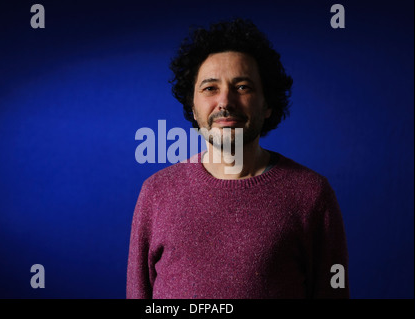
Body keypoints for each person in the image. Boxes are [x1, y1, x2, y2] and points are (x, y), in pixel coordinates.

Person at [126, 18, 349, 299]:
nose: (225, 101)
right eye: (209, 88)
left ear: (267, 105)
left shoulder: (311, 195)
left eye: (242, 87)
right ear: (193, 108)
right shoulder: (156, 193)